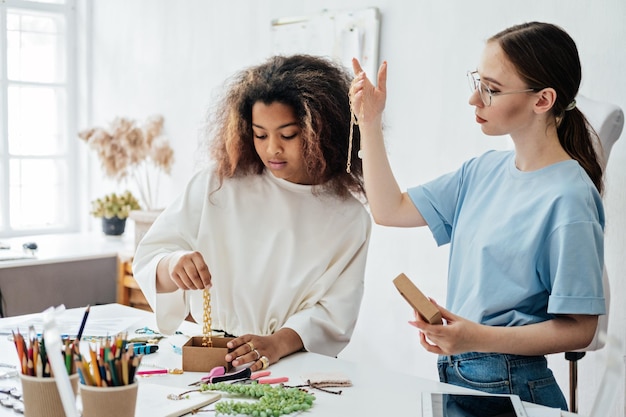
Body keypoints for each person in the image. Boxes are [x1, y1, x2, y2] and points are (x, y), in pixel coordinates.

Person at [349, 22, 605, 410]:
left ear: (543, 100)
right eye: (477, 81)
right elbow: (389, 209)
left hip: (513, 387)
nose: (474, 99)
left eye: (492, 89)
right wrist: (369, 121)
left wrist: (475, 338)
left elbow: (581, 329)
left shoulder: (570, 198)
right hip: (458, 374)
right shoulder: (482, 171)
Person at [133, 54, 371, 372]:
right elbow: (150, 259)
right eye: (260, 134)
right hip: (210, 355)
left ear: (322, 133)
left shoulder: (349, 218)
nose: (272, 148)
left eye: (287, 135)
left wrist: (275, 344)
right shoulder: (218, 184)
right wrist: (173, 264)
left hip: (292, 363)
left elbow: (335, 314)